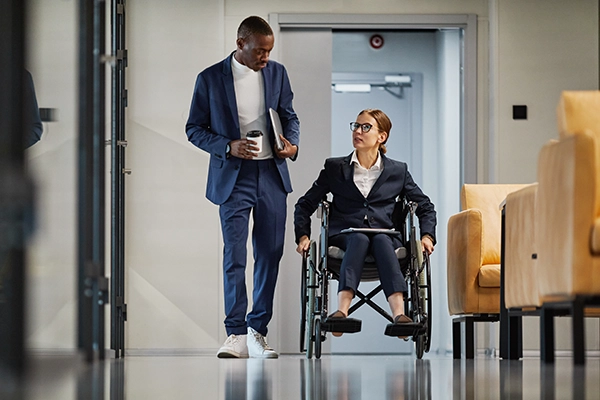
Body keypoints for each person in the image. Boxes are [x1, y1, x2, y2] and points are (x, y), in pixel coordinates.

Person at [186, 16, 300, 359]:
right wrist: (226, 146)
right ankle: (234, 333)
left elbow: (289, 116)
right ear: (241, 44)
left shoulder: (277, 73)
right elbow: (194, 128)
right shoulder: (209, 78)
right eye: (260, 51)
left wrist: (291, 145)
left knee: (270, 253)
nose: (265, 57)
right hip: (233, 178)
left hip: (271, 174)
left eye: (269, 51)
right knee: (234, 255)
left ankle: (256, 332)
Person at [294, 109, 435, 335]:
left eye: (366, 127)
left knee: (379, 239)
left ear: (382, 136)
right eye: (356, 126)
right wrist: (302, 236)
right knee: (359, 237)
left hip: (386, 237)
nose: (358, 131)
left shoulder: (398, 171)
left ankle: (400, 315)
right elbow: (304, 204)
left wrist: (427, 236)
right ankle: (341, 312)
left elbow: (425, 205)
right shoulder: (334, 167)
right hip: (344, 237)